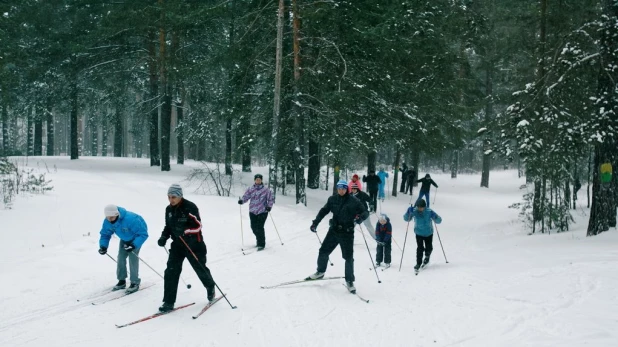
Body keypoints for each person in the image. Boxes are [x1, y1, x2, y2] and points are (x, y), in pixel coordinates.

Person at [157, 184, 216, 313]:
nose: (171, 200)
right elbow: (168, 226)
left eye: (173, 197)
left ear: (180, 196)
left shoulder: (190, 207)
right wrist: (163, 237)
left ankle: (210, 287)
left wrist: (185, 231)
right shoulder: (169, 209)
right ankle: (168, 302)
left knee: (200, 268)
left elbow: (198, 226)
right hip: (178, 245)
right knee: (171, 271)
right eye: (169, 197)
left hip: (194, 244)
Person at [308, 180, 369, 293]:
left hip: (347, 232)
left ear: (347, 189)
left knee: (348, 257)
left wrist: (360, 218)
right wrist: (315, 222)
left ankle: (350, 281)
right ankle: (320, 272)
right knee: (323, 251)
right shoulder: (332, 199)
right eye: (339, 188)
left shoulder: (354, 201)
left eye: (343, 188)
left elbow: (365, 212)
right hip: (334, 230)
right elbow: (323, 211)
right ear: (337, 188)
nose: (341, 190)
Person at [98, 204, 148, 293]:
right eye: (108, 218)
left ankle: (135, 282)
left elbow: (143, 234)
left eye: (112, 218)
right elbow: (105, 234)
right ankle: (122, 281)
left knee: (133, 258)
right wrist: (103, 246)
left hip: (136, 238)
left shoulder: (131, 219)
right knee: (121, 257)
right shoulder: (107, 221)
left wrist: (133, 245)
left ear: (117, 215)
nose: (110, 220)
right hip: (125, 239)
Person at [238, 174, 275, 251]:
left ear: (261, 180)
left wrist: (269, 206)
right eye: (257, 179)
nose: (258, 181)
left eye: (259, 179)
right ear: (254, 180)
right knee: (253, 227)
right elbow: (246, 196)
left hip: (262, 211)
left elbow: (271, 199)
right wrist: (242, 201)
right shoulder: (250, 189)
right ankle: (259, 240)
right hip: (252, 211)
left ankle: (261, 244)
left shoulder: (266, 190)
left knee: (259, 227)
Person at [403, 199, 442, 271]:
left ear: (425, 207)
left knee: (429, 247)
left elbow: (439, 221)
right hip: (419, 233)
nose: (420, 208)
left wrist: (435, 216)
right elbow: (406, 219)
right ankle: (418, 263)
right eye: (418, 207)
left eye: (421, 207)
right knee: (420, 248)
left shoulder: (429, 211)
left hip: (428, 233)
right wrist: (408, 213)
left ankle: (427, 256)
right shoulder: (414, 211)